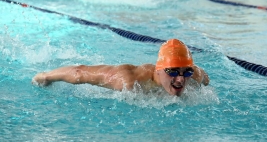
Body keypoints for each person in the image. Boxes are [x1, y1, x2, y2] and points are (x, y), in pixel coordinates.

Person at [32, 39, 209, 96]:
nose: (180, 79)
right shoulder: (129, 80)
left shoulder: (195, 76)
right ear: (158, 69)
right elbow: (79, 73)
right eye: (172, 72)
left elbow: (206, 79)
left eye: (186, 71)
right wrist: (46, 76)